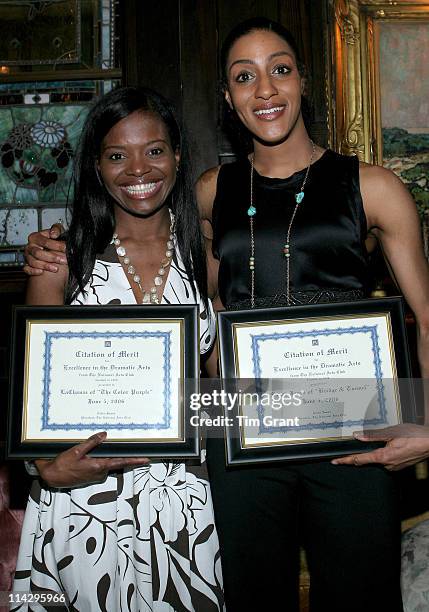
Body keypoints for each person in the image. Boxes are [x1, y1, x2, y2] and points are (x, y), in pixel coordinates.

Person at [22, 17, 429, 611]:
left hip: (356, 419)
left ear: (303, 81)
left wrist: (427, 424)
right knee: (250, 595)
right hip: (241, 430)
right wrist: (53, 244)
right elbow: (164, 260)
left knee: (361, 596)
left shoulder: (374, 186)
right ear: (228, 98)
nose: (265, 90)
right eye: (245, 77)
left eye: (280, 69)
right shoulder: (209, 193)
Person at [14, 86, 223, 612]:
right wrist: (44, 468)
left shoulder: (209, 253)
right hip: (84, 499)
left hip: (186, 498)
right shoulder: (60, 258)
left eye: (154, 150)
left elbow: (223, 383)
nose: (138, 169)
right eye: (116, 155)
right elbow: (34, 392)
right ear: (97, 166)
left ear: (177, 155)